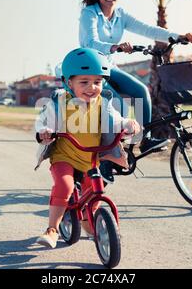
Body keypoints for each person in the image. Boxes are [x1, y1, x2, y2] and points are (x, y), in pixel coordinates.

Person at [79, 0, 192, 183]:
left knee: (141, 91)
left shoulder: (121, 15)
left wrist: (178, 36)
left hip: (110, 66)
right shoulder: (90, 13)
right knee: (118, 106)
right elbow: (90, 42)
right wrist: (115, 47)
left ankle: (146, 139)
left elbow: (147, 29)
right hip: (91, 69)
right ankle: (106, 161)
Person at [34, 48, 141, 248]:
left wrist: (127, 124)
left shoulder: (103, 103)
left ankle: (87, 218)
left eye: (98, 82)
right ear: (69, 83)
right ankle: (52, 229)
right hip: (64, 156)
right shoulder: (60, 102)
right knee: (64, 186)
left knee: (94, 188)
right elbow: (42, 122)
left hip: (90, 159)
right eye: (84, 82)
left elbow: (115, 120)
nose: (92, 87)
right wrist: (44, 132)